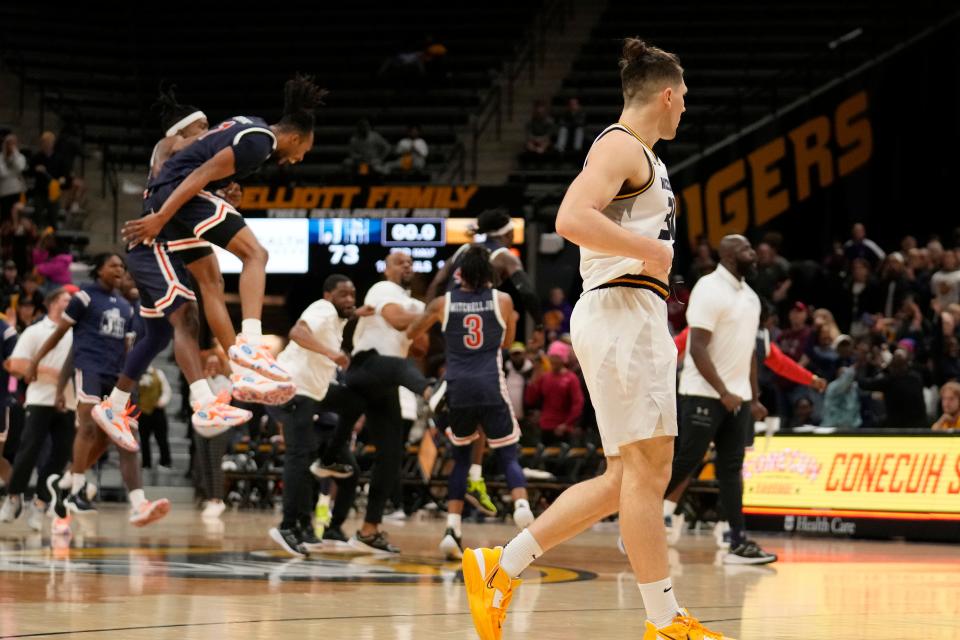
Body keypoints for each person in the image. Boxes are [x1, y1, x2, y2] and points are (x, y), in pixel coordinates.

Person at [462, 38, 733, 640]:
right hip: (620, 311)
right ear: (666, 95)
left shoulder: (647, 158)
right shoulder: (618, 145)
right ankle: (663, 621)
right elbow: (569, 217)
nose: (685, 108)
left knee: (625, 479)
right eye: (683, 98)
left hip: (634, 313)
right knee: (646, 472)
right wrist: (654, 250)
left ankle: (498, 570)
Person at [121, 74, 325, 386]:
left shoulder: (251, 125)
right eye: (305, 152)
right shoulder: (259, 143)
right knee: (256, 254)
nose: (299, 160)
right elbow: (201, 172)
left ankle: (241, 369)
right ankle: (251, 343)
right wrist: (162, 216)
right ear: (296, 138)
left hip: (173, 195)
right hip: (178, 195)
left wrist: (219, 193)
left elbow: (203, 162)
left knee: (211, 282)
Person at [407, 245, 533, 560]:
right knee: (507, 453)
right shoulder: (502, 301)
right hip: (490, 383)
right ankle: (521, 505)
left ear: (459, 274)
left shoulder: (441, 303)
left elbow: (412, 332)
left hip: (458, 387)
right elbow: (506, 342)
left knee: (461, 458)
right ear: (490, 275)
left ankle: (452, 529)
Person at [25, 254, 165, 526]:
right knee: (88, 429)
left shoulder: (127, 307)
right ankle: (77, 490)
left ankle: (137, 503)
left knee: (125, 439)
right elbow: (60, 336)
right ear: (98, 269)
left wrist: (131, 385)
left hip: (117, 378)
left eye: (122, 267)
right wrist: (35, 361)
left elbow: (129, 353)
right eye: (113, 265)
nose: (119, 270)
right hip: (90, 370)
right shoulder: (84, 298)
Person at [665, 235, 776, 566]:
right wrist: (723, 391)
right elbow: (696, 346)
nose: (753, 253)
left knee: (731, 470)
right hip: (703, 393)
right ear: (727, 255)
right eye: (746, 248)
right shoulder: (709, 288)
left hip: (736, 398)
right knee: (687, 461)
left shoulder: (752, 298)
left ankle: (738, 544)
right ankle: (635, 522)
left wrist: (753, 398)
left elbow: (750, 356)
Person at [333, 251, 435, 553]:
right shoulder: (382, 290)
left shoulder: (417, 303)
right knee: (398, 368)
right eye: (399, 261)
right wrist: (431, 315)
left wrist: (421, 320)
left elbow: (420, 348)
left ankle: (368, 530)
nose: (406, 265)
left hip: (386, 380)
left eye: (410, 263)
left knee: (390, 456)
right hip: (365, 368)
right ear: (387, 268)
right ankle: (431, 391)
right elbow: (395, 319)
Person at [266, 274, 372, 557]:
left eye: (353, 294)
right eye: (343, 295)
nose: (349, 299)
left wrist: (359, 312)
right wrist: (331, 353)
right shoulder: (321, 309)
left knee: (354, 402)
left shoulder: (337, 317)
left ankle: (330, 458)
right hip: (293, 389)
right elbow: (297, 333)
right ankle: (287, 526)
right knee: (298, 457)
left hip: (314, 392)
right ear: (328, 296)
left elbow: (347, 313)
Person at [0, 287, 76, 530]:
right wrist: (54, 373)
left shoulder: (78, 332)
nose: (72, 303)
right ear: (53, 303)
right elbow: (15, 364)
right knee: (28, 450)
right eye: (67, 299)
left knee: (61, 454)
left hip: (70, 401)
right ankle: (14, 497)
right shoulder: (35, 331)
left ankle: (42, 502)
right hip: (39, 398)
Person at [524, 340, 584, 445]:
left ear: (563, 359)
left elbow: (578, 403)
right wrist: (532, 381)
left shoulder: (571, 378)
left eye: (557, 357)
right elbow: (530, 400)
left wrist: (567, 424)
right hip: (545, 427)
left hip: (564, 429)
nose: (554, 360)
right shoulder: (545, 377)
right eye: (552, 357)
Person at [138, 365, 173, 470]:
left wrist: (162, 402)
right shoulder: (137, 374)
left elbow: (167, 391)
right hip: (142, 412)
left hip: (157, 411)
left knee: (162, 438)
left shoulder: (159, 373)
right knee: (144, 439)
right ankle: (146, 463)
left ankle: (165, 461)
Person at [0, 133, 27, 220]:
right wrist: (13, 173)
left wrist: (15, 154)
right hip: (4, 191)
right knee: (5, 217)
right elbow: (2, 173)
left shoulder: (20, 157)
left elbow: (20, 167)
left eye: (13, 144)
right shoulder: (0, 158)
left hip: (17, 191)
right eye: (9, 143)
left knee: (16, 216)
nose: (10, 146)